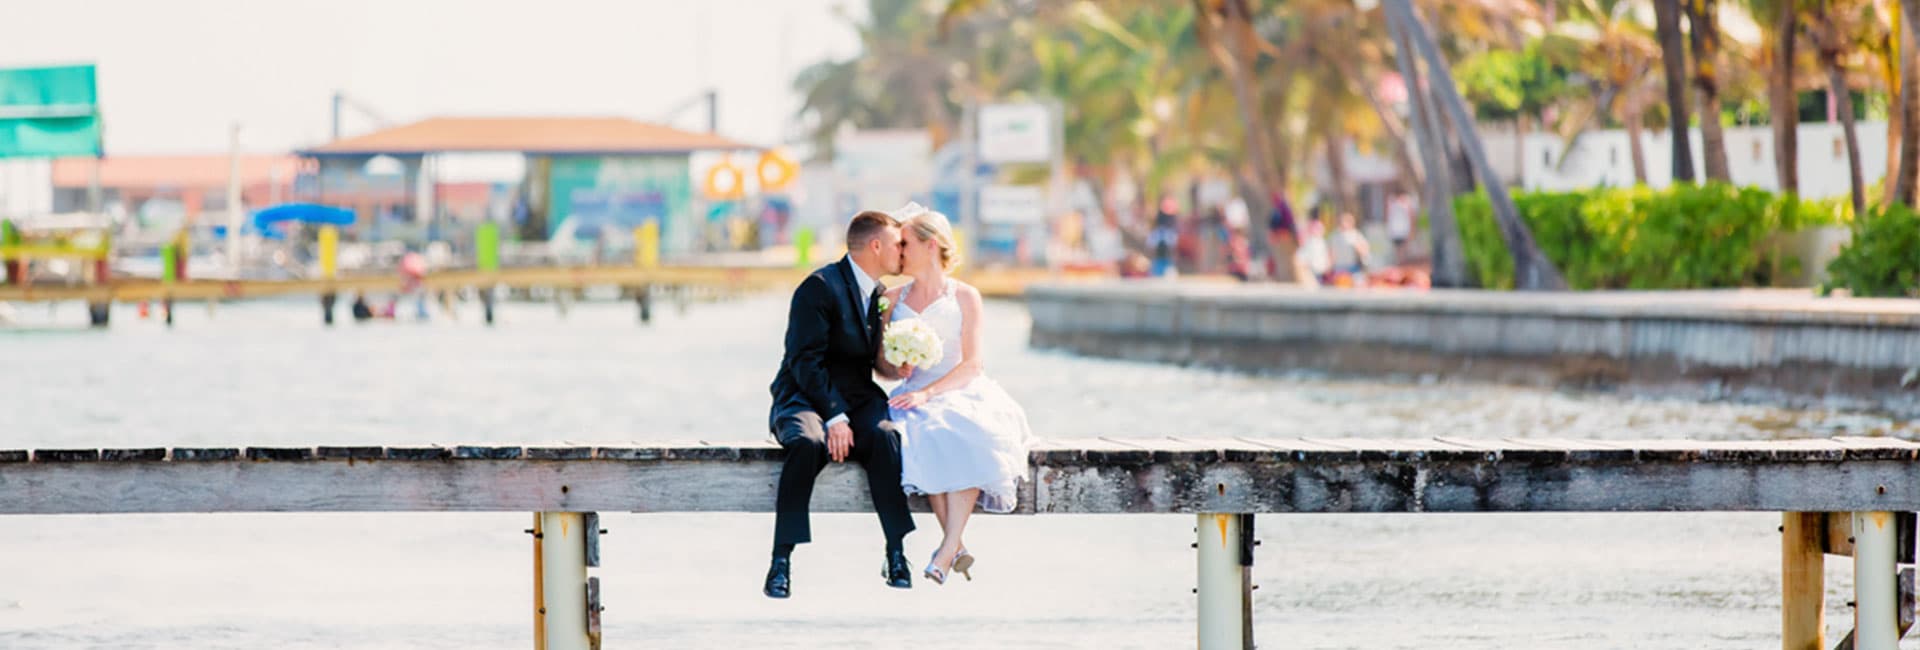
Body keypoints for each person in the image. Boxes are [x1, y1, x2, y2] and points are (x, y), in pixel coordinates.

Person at [876, 204, 1033, 585]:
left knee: (967, 427)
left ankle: (948, 549)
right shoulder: (891, 300)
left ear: (930, 246)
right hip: (913, 392)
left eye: (906, 244)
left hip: (959, 387)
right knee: (923, 433)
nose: (899, 252)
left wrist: (929, 392)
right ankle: (953, 548)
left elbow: (972, 364)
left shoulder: (965, 296)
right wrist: (899, 368)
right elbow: (879, 364)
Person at [763, 210, 917, 599]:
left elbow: (873, 363)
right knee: (807, 443)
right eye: (898, 243)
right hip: (803, 393)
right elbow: (803, 361)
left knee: (885, 437)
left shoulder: (880, 296)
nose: (903, 251)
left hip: (858, 395)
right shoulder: (818, 286)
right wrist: (834, 416)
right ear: (875, 245)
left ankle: (896, 552)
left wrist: (898, 367)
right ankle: (781, 559)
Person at [1329, 212, 1372, 285]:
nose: (1343, 224)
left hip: (1354, 267)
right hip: (1339, 268)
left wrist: (1358, 247)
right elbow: (1331, 254)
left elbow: (1365, 251)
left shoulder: (1356, 235)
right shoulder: (1335, 236)